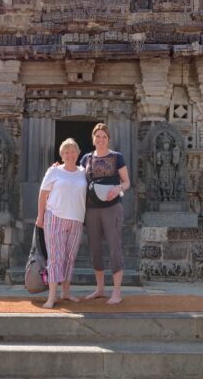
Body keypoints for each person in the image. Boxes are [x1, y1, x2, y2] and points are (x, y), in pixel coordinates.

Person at [80, 123, 130, 305]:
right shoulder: (85, 159)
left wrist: (118, 189)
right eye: (98, 136)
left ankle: (116, 292)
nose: (101, 140)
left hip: (112, 208)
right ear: (93, 139)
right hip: (91, 209)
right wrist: (57, 169)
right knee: (95, 249)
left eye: (104, 137)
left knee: (114, 247)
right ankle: (100, 289)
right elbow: (77, 179)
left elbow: (127, 182)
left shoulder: (117, 157)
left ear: (108, 139)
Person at [36, 138, 87, 309]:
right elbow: (43, 195)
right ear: (61, 155)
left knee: (69, 257)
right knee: (56, 257)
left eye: (73, 151)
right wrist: (40, 217)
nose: (70, 154)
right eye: (66, 152)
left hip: (76, 219)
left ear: (78, 153)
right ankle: (52, 296)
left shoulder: (83, 172)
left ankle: (66, 292)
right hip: (55, 217)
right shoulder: (54, 172)